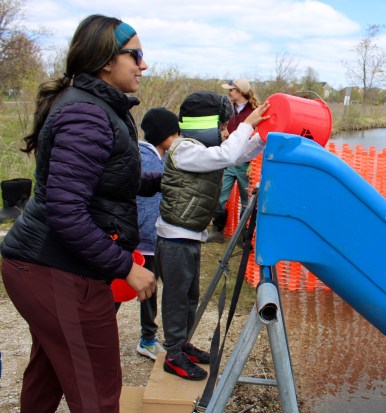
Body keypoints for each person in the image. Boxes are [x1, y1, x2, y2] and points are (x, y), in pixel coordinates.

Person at [0, 14, 158, 412]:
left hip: (47, 265)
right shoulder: (87, 114)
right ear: (107, 61)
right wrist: (125, 267)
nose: (144, 64)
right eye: (136, 55)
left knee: (49, 372)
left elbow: (106, 179)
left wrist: (162, 180)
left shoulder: (100, 106)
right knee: (98, 393)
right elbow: (66, 211)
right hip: (55, 268)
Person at [155, 91, 270, 380]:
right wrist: (247, 125)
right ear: (203, 123)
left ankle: (182, 343)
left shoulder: (203, 151)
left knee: (190, 295)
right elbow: (227, 153)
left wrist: (262, 135)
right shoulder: (184, 150)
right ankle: (173, 354)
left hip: (189, 236)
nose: (225, 132)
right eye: (221, 127)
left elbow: (239, 154)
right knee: (177, 298)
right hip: (174, 238)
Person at [131, 108, 181, 360]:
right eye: (174, 133)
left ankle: (148, 337)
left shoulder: (156, 155)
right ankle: (148, 339)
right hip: (144, 240)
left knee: (145, 289)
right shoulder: (148, 160)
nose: (178, 137)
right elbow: (147, 205)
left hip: (147, 238)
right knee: (140, 289)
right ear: (162, 136)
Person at [208, 78, 261, 243]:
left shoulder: (256, 111)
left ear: (240, 91)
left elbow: (261, 137)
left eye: (231, 90)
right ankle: (217, 232)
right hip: (228, 160)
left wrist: (254, 164)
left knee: (247, 200)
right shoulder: (227, 109)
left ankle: (243, 237)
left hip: (247, 163)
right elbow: (221, 127)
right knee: (219, 196)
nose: (229, 92)